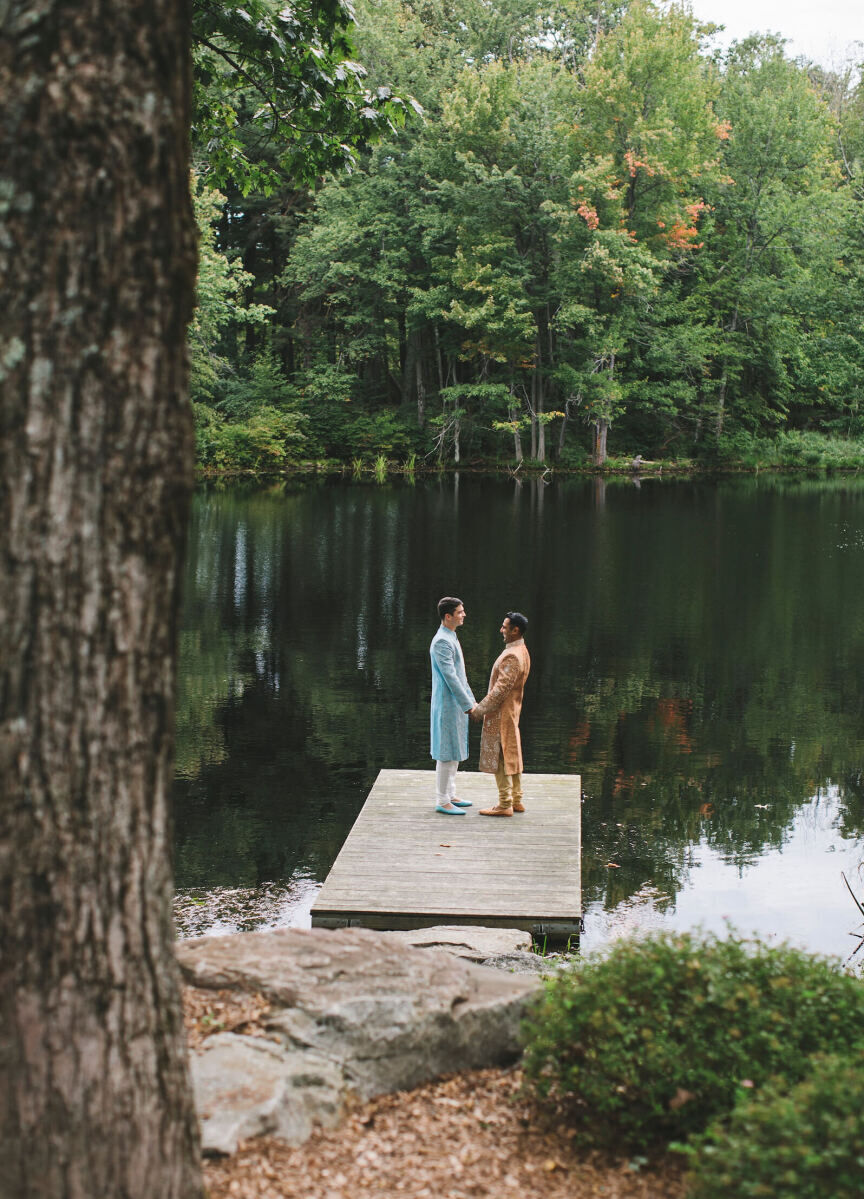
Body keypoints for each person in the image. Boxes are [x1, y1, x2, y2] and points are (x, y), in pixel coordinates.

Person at [471, 611, 531, 817]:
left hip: (502, 714)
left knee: (502, 757)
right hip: (512, 711)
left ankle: (505, 803)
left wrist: (479, 710)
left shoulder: (513, 655)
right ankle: (517, 800)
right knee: (511, 753)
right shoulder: (522, 650)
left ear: (516, 630)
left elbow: (500, 690)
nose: (501, 630)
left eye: (505, 627)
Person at [429, 596, 477, 814]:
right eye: (459, 612)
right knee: (446, 751)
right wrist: (467, 704)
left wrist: (471, 700)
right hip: (447, 704)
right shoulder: (442, 641)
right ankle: (441, 799)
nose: (464, 614)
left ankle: (451, 794)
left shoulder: (451, 636)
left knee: (455, 748)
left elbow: (461, 675)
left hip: (456, 703)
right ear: (448, 616)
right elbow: (450, 678)